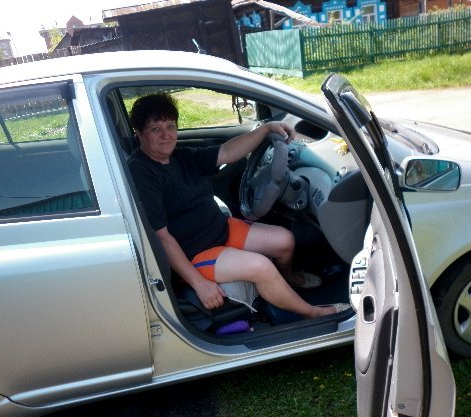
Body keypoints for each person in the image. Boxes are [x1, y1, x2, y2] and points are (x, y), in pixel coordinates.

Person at [128, 92, 349, 319]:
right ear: (139, 133)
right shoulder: (141, 172)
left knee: (285, 241)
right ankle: (314, 312)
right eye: (156, 129)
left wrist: (265, 130)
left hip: (221, 229)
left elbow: (226, 152)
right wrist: (199, 283)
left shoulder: (180, 156)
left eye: (171, 126)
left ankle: (288, 279)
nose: (166, 135)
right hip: (195, 253)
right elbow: (161, 237)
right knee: (261, 266)